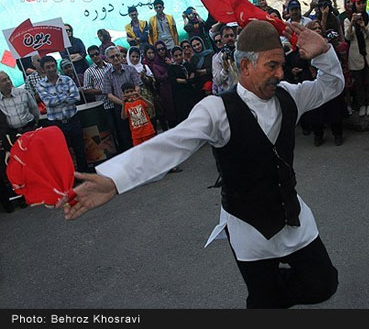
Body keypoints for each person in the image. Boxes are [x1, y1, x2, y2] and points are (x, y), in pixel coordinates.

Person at [61, 20, 341, 309]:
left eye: (281, 65)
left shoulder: (289, 96)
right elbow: (170, 145)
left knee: (322, 284)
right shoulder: (216, 109)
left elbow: (332, 85)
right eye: (272, 66)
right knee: (265, 302)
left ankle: (267, 297)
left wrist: (324, 53)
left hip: (294, 218)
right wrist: (113, 180)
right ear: (245, 66)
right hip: (249, 228)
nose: (280, 74)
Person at [36, 56, 88, 173]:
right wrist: (66, 95)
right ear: (43, 70)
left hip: (73, 119)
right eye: (48, 67)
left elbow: (76, 97)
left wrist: (57, 98)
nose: (51, 69)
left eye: (53, 66)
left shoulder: (67, 80)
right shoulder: (41, 85)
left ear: (56, 66)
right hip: (56, 124)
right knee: (62, 153)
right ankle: (70, 178)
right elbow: (48, 102)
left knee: (80, 149)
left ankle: (85, 175)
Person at [344, 0, 369, 117]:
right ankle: (361, 105)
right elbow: (347, 37)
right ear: (354, 4)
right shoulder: (347, 20)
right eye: (358, 3)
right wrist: (353, 24)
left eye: (363, 2)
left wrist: (364, 27)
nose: (361, 5)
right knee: (359, 82)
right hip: (356, 54)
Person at [102, 46, 143, 153]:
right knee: (126, 135)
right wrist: (124, 103)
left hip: (136, 105)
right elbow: (109, 95)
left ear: (121, 56)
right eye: (112, 57)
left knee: (141, 131)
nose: (115, 58)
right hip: (120, 108)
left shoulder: (131, 69)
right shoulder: (107, 75)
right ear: (107, 60)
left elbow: (138, 86)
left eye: (117, 55)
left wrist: (132, 99)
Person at [83, 45, 117, 149]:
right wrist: (103, 91)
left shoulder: (110, 66)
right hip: (104, 105)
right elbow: (86, 89)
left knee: (121, 128)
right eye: (92, 55)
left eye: (97, 54)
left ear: (100, 54)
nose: (95, 57)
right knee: (111, 131)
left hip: (117, 102)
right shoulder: (89, 72)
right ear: (90, 57)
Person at [126, 47, 156, 127]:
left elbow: (153, 79)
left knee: (152, 119)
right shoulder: (126, 69)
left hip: (147, 96)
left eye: (137, 57)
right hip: (134, 99)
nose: (135, 59)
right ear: (129, 57)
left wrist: (145, 77)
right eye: (133, 57)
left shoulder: (144, 67)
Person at [169, 46, 200, 123]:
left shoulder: (187, 64)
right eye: (176, 56)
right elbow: (174, 80)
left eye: (180, 54)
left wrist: (189, 80)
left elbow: (193, 73)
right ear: (172, 57)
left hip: (191, 93)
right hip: (180, 95)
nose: (179, 57)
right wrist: (187, 81)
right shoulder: (171, 68)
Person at [151, 41, 177, 128]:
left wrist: (171, 64)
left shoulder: (171, 58)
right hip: (165, 90)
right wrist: (169, 69)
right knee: (170, 113)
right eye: (158, 50)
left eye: (163, 49)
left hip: (175, 86)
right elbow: (159, 77)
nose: (161, 51)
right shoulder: (156, 64)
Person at [120, 82, 155, 147]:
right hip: (136, 134)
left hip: (148, 131)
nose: (130, 94)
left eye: (131, 91)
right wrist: (123, 104)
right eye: (127, 92)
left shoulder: (140, 101)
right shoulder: (126, 105)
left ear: (135, 91)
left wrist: (141, 97)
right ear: (123, 94)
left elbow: (151, 105)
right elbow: (123, 117)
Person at [212, 25, 238, 95]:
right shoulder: (217, 59)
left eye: (232, 35)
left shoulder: (241, 51)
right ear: (222, 39)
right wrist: (225, 70)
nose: (230, 38)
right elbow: (217, 81)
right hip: (232, 94)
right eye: (226, 36)